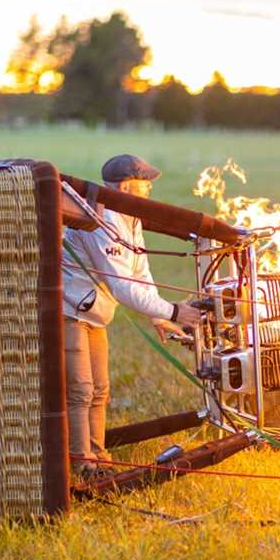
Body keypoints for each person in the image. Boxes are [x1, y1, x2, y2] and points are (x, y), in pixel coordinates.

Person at [62, 154, 200, 478]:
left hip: (95, 314)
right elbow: (123, 287)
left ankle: (99, 458)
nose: (150, 188)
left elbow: (140, 270)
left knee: (100, 390)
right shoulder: (102, 222)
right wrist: (176, 311)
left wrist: (158, 317)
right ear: (125, 186)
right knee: (80, 389)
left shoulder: (132, 218)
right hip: (69, 310)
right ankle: (81, 463)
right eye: (145, 183)